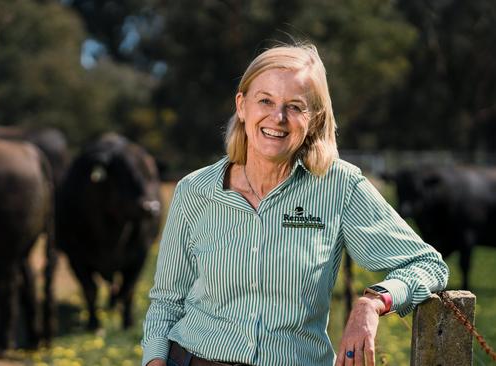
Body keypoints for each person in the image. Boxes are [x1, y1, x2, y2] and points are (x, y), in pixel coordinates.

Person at [141, 43, 448, 366]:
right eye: (265, 101)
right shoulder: (194, 190)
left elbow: (428, 265)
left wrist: (372, 303)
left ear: (313, 119)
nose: (278, 117)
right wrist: (155, 361)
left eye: (295, 106)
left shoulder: (339, 186)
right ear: (242, 106)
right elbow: (166, 301)